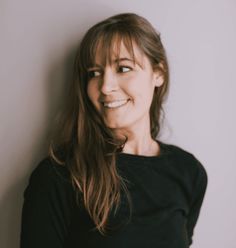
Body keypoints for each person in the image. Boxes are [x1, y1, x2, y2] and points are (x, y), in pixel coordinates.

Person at [20, 12, 208, 248]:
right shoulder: (59, 177)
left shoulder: (189, 172)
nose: (106, 87)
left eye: (123, 68)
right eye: (94, 73)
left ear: (158, 74)